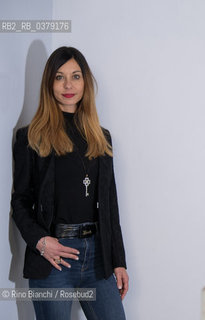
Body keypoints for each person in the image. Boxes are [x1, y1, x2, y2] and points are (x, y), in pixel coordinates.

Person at [11, 46, 128, 319]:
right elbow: (20, 201)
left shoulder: (102, 137)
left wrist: (119, 262)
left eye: (75, 76)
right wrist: (40, 241)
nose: (68, 85)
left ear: (85, 82)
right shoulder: (31, 137)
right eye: (59, 77)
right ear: (49, 83)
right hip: (54, 258)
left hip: (98, 255)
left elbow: (110, 204)